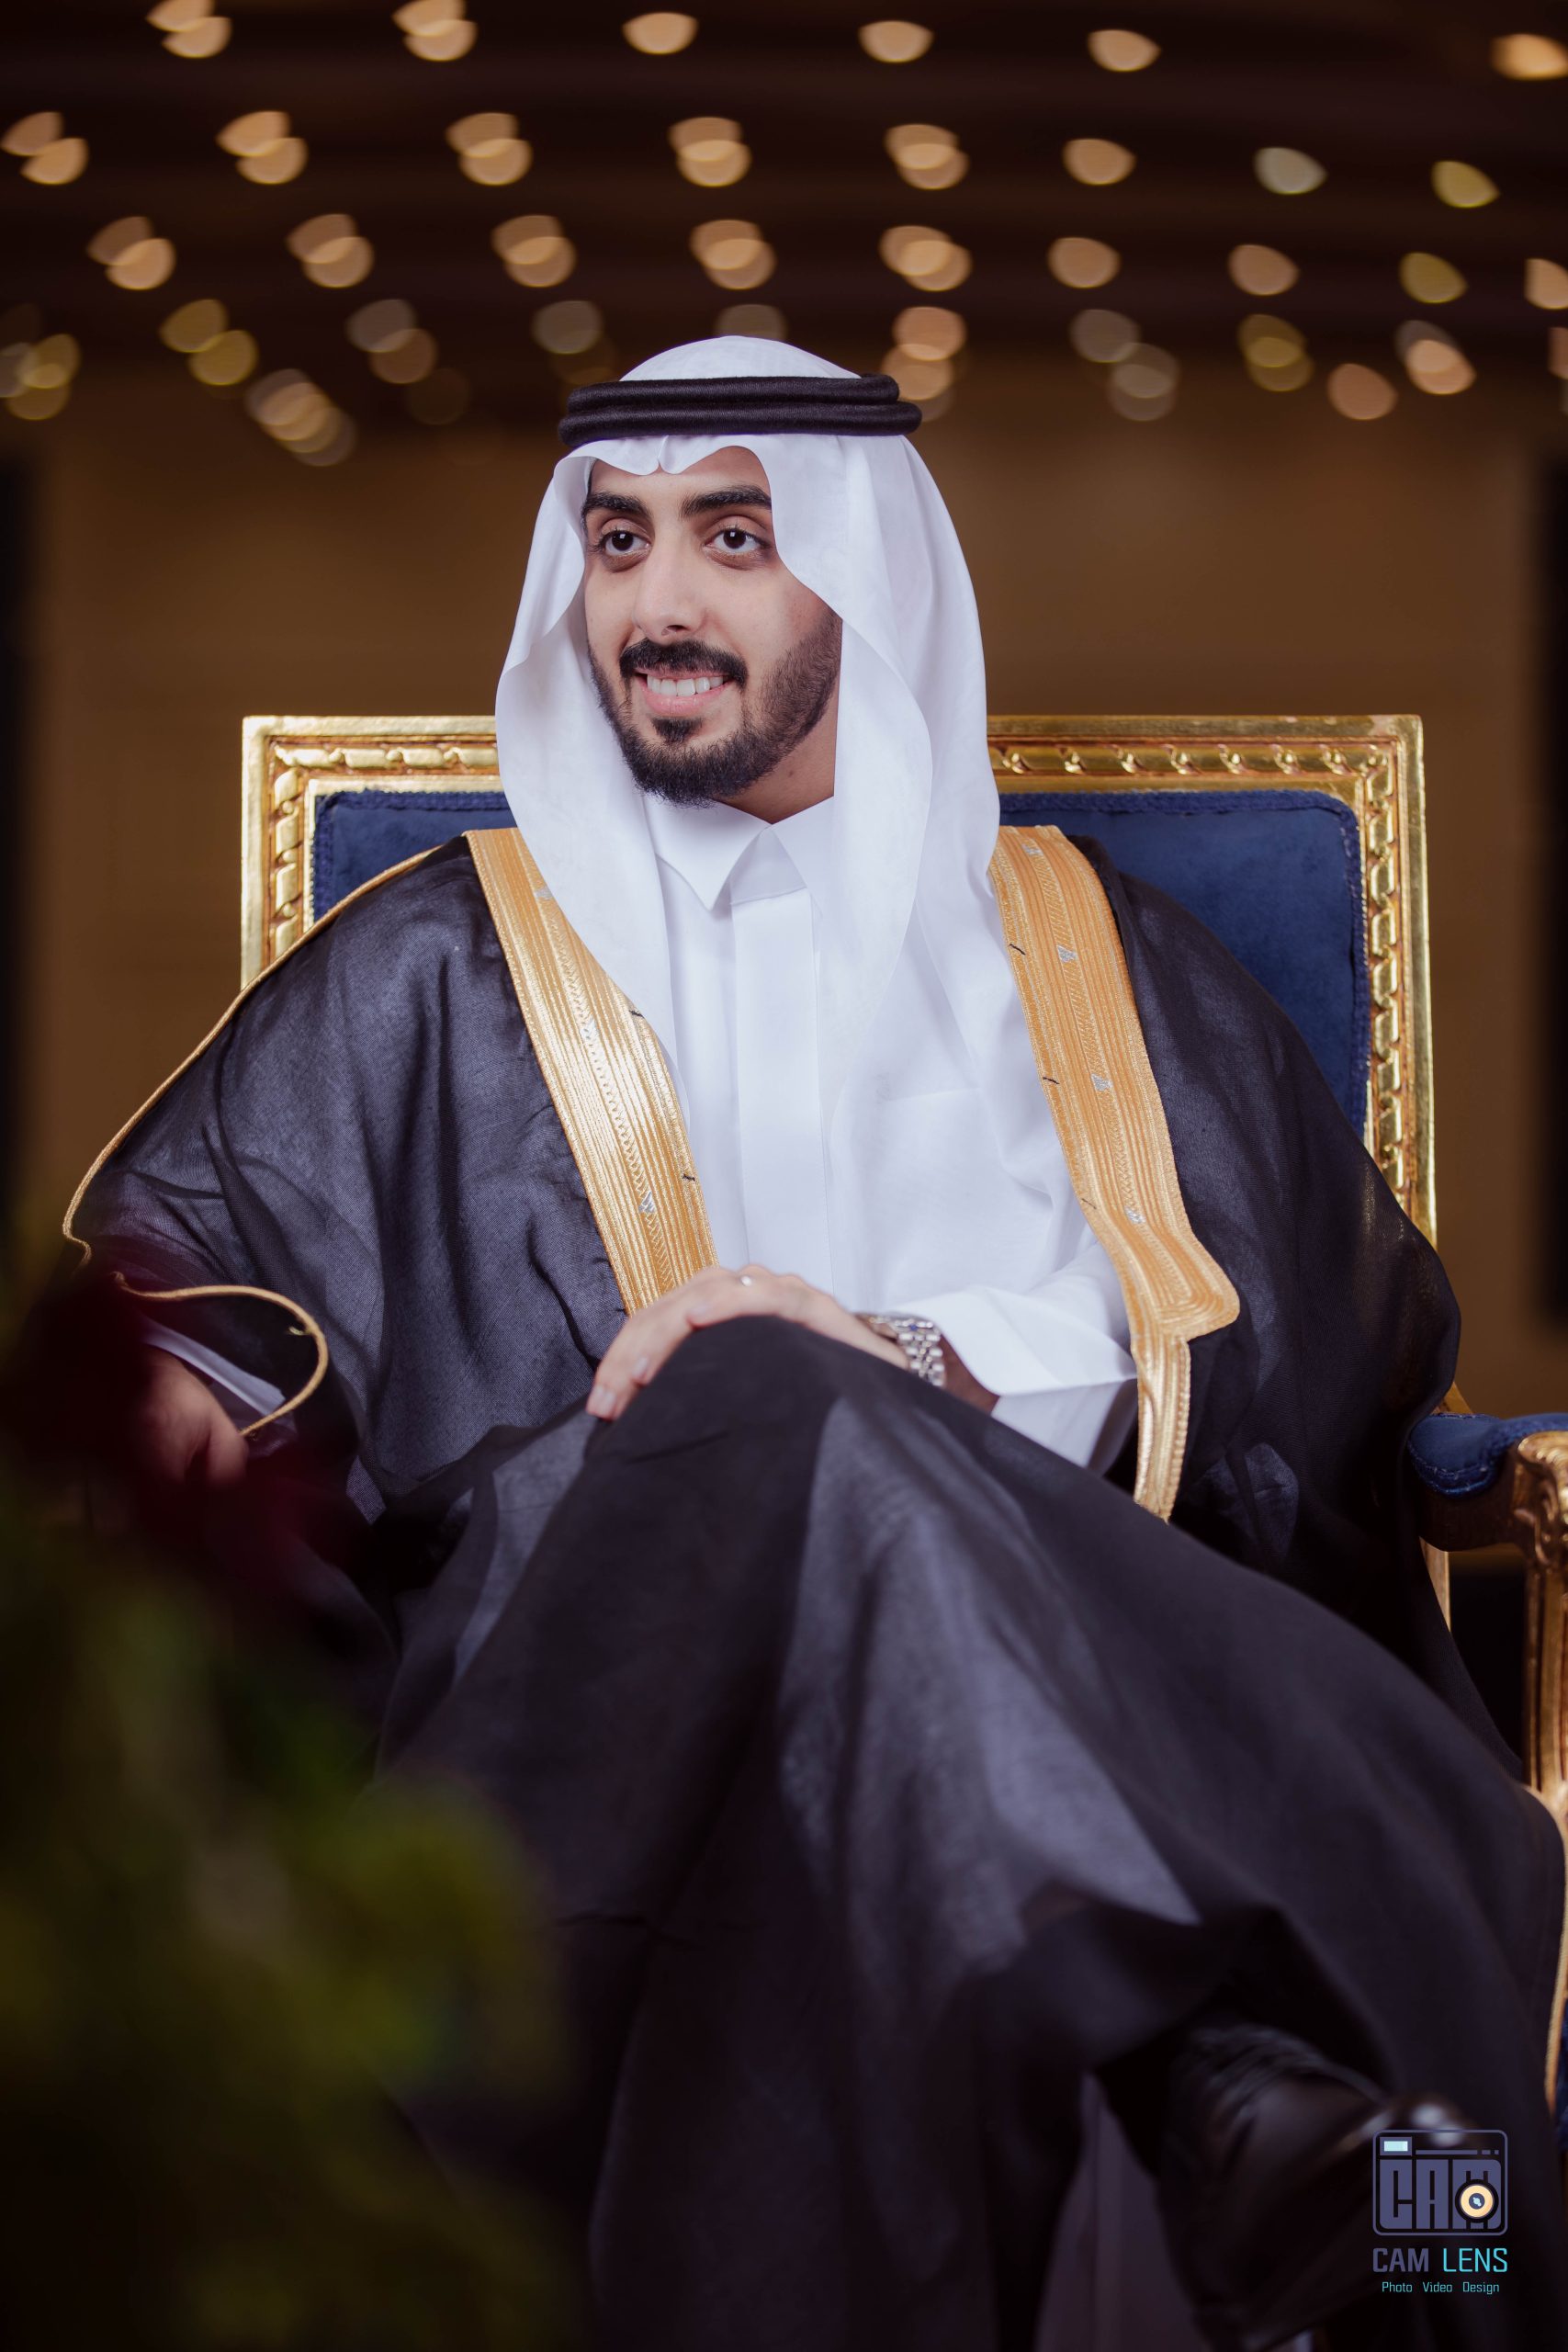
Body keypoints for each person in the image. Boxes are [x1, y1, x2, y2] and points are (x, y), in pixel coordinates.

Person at [64, 337, 1568, 2350]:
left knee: (805, 1392)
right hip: (594, 1753)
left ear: (865, 575)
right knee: (757, 1389)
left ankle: (1192, 2064)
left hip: (1093, 1647)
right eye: (616, 542)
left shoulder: (1094, 957)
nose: (657, 601)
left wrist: (910, 1355)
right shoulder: (432, 964)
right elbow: (184, 1300)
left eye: (734, 536)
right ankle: (1206, 2070)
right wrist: (170, 1412)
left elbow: (1319, 1346)